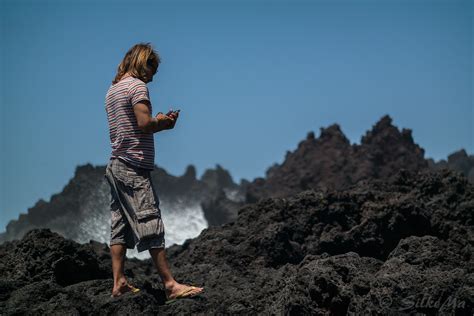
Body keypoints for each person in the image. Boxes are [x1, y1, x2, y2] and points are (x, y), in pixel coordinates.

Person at [103, 42, 204, 302]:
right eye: (152, 69)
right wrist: (164, 123)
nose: (152, 76)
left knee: (120, 225)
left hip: (115, 165)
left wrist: (154, 120)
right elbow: (144, 124)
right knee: (150, 221)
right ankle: (170, 285)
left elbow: (129, 125)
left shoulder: (112, 90)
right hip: (133, 166)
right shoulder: (137, 87)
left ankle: (119, 283)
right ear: (141, 62)